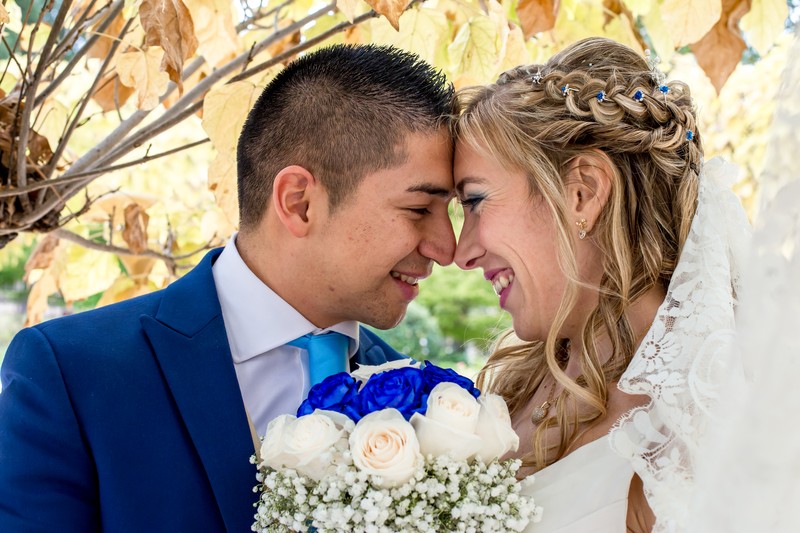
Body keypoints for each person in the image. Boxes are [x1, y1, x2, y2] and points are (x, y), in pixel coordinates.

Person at [0, 44, 457, 532]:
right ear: (299, 203)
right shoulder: (70, 374)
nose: (447, 248)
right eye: (419, 209)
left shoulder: (431, 402)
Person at [452, 37, 748, 532]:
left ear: (582, 193)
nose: (461, 253)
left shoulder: (692, 437)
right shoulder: (515, 385)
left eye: (476, 202)